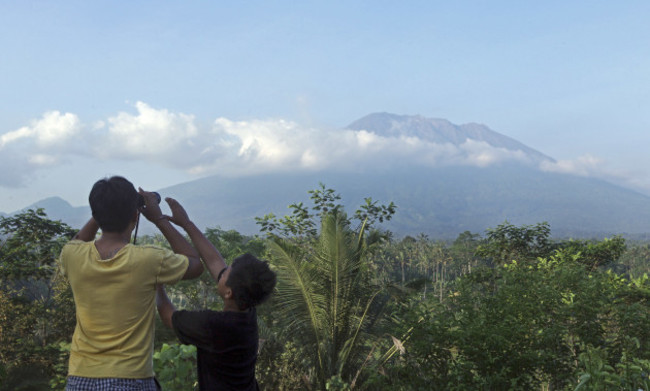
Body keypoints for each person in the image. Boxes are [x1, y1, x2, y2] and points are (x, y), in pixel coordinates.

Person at [58, 176, 204, 391]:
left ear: (95, 214)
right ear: (135, 215)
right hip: (130, 379)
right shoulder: (148, 259)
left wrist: (103, 212)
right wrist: (159, 219)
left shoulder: (72, 255)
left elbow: (79, 240)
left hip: (80, 378)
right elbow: (195, 264)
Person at [155, 197, 277, 391]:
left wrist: (156, 279)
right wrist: (186, 223)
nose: (222, 269)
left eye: (227, 271)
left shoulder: (214, 326)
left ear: (228, 292)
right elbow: (214, 262)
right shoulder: (247, 311)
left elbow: (168, 315)